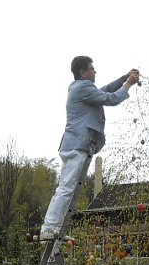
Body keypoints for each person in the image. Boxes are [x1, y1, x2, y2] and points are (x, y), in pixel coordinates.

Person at [39, 56, 140, 241]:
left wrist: (122, 79)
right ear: (83, 72)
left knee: (67, 188)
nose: (95, 72)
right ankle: (50, 227)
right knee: (67, 188)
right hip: (78, 145)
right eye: (92, 69)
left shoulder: (81, 89)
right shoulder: (83, 88)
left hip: (75, 144)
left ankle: (56, 227)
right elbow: (110, 98)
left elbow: (104, 90)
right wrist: (128, 84)